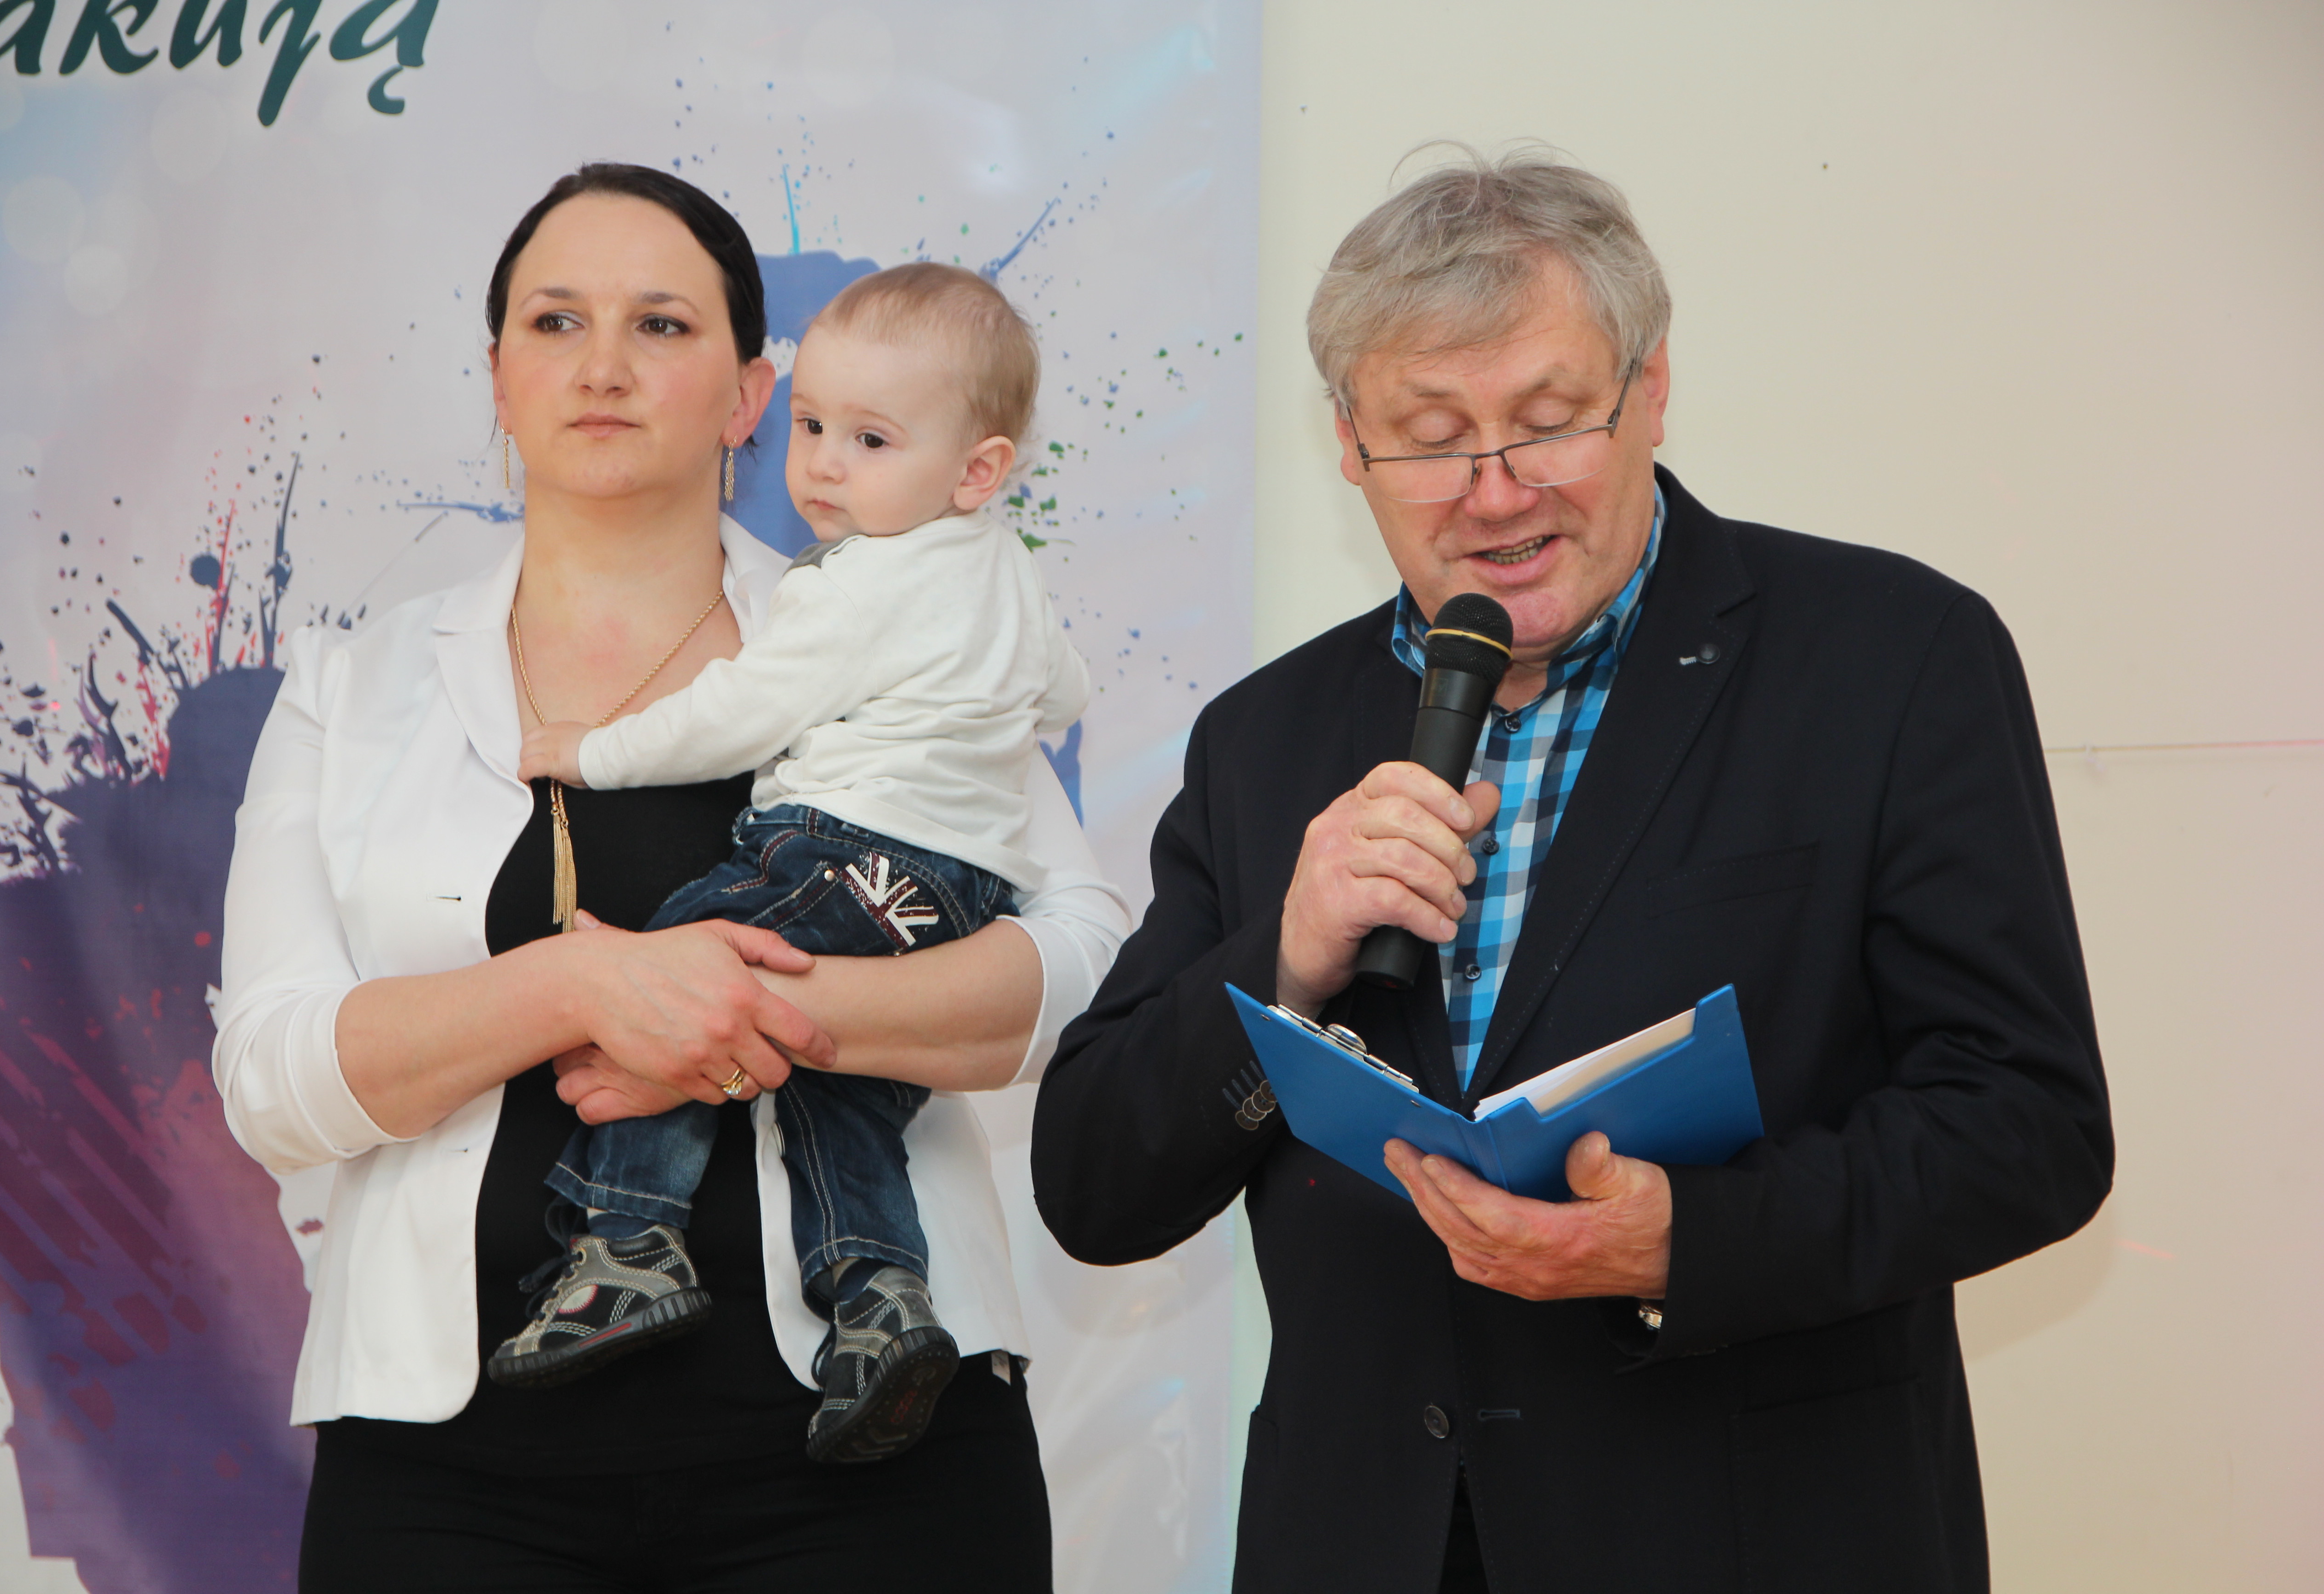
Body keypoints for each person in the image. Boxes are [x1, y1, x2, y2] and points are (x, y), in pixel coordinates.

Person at [1031, 149, 2111, 1594]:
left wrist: (1688, 1243)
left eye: (1549, 424)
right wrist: (1286, 956)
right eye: (1431, 437)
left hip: (1753, 1541)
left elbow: (2030, 1127)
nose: (1495, 493)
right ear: (1348, 444)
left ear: (1650, 391)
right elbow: (1094, 1185)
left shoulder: (1891, 656)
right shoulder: (1265, 738)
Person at [213, 162, 1126, 1591]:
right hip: (451, 1479)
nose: (604, 366)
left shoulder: (901, 603)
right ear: (498, 378)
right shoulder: (355, 684)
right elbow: (274, 1081)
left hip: (874, 1468)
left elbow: (1081, 966)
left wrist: (750, 1014)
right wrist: (582, 988)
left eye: (661, 324)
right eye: (556, 322)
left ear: (753, 394)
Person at [496, 262, 1089, 1473]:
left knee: (686, 954)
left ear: (977, 470)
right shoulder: (1009, 573)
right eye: (811, 426)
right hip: (955, 898)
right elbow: (1062, 694)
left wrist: (594, 752)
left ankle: (629, 1245)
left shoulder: (855, 583)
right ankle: (880, 1304)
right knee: (842, 1094)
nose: (821, 465)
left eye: (870, 440)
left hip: (841, 849)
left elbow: (739, 713)